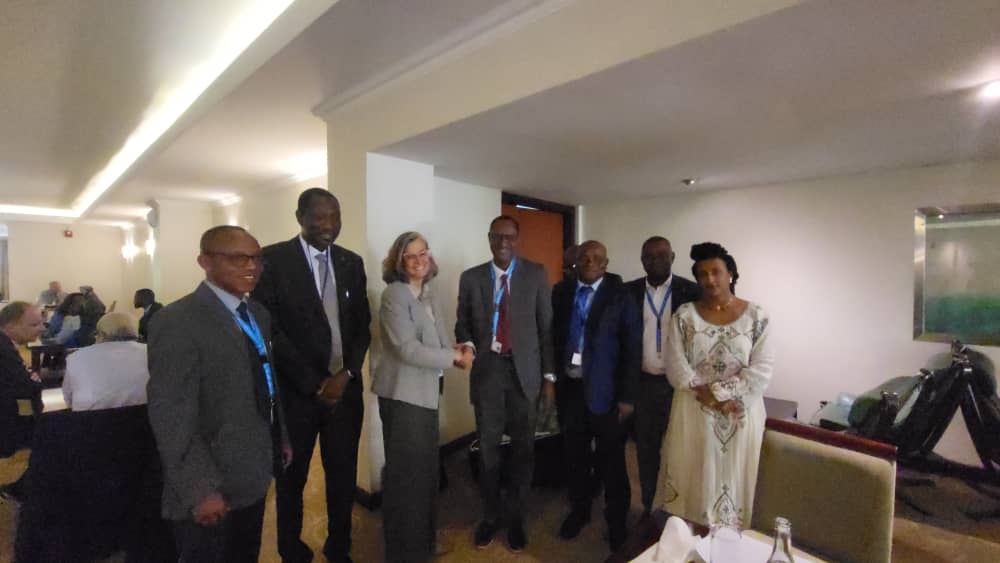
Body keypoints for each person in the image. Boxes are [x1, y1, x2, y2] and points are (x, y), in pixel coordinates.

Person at [147, 225, 290, 562]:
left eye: (256, 258)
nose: (251, 267)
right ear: (205, 262)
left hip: (253, 467)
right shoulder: (177, 321)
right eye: (238, 259)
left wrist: (279, 433)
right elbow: (170, 412)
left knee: (245, 553)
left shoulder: (257, 313)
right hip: (211, 479)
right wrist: (200, 488)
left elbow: (266, 379)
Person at [252, 188, 371, 563]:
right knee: (292, 479)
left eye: (335, 216)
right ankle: (291, 549)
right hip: (295, 395)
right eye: (319, 217)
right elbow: (269, 330)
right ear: (300, 216)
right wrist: (314, 382)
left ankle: (340, 547)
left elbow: (362, 326)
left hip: (345, 391)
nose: (329, 225)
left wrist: (347, 373)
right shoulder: (272, 260)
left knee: (341, 477)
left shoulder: (351, 262)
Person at [653, 242, 774, 528]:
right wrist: (707, 395)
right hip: (694, 410)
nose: (710, 279)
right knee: (695, 477)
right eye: (703, 274)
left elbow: (762, 369)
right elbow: (675, 365)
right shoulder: (685, 315)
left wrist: (721, 395)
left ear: (730, 273)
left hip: (739, 412)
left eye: (716, 272)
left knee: (736, 480)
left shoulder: (757, 316)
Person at [455, 215, 555, 552]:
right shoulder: (470, 278)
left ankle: (515, 519)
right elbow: (462, 323)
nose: (503, 243)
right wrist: (467, 345)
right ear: (488, 238)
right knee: (488, 450)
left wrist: (549, 378)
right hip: (488, 372)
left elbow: (546, 330)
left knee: (523, 452)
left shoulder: (536, 274)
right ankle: (490, 516)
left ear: (518, 238)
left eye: (509, 236)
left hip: (524, 373)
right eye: (497, 236)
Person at [373, 232, 473, 563]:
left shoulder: (428, 294)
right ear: (398, 261)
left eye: (424, 253)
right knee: (407, 481)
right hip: (403, 397)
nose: (419, 260)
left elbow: (442, 340)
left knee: (426, 475)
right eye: (411, 255)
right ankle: (404, 554)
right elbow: (407, 349)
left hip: (427, 393)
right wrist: (453, 358)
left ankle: (423, 546)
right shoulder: (394, 295)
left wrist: (462, 348)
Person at [551, 240, 641, 551]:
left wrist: (628, 397)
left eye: (597, 258)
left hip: (608, 394)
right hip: (571, 390)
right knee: (574, 457)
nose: (590, 262)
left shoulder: (621, 295)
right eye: (584, 257)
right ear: (575, 261)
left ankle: (617, 522)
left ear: (605, 263)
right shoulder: (561, 292)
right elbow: (554, 338)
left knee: (613, 461)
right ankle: (579, 511)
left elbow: (632, 349)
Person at [624, 236, 700, 516]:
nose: (655, 260)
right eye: (648, 256)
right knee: (647, 450)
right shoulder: (628, 292)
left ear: (673, 257)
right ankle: (649, 508)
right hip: (645, 383)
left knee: (682, 450)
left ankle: (680, 510)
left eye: (662, 255)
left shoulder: (692, 292)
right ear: (642, 260)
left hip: (681, 386)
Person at [0, 302, 45, 501]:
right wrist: (33, 382)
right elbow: (23, 387)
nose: (41, 329)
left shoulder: (5, 346)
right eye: (34, 325)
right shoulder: (4, 351)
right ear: (10, 326)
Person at [63, 312, 148, 411]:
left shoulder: (76, 357)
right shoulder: (151, 352)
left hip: (89, 421)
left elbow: (68, 398)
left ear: (102, 334)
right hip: (143, 421)